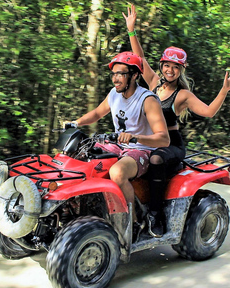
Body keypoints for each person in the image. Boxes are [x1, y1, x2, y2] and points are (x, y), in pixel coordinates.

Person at [123, 4, 230, 237]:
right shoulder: (153, 83)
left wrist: (225, 89)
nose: (170, 70)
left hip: (170, 145)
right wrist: (131, 30)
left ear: (181, 70)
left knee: (157, 159)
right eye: (167, 65)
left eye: (175, 67)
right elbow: (139, 58)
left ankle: (156, 215)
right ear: (162, 66)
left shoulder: (182, 95)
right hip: (148, 140)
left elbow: (208, 111)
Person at [66, 51, 170, 231]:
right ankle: (74, 211)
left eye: (121, 74)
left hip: (141, 149)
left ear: (135, 75)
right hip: (116, 145)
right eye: (113, 74)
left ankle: (134, 223)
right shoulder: (114, 94)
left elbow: (164, 138)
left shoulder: (147, 100)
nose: (115, 79)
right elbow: (98, 113)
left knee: (118, 173)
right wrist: (76, 123)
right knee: (77, 157)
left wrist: (135, 137)